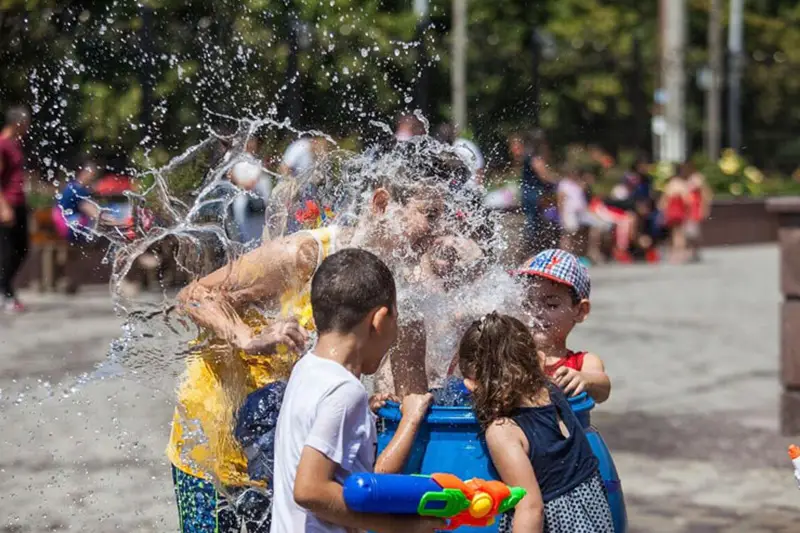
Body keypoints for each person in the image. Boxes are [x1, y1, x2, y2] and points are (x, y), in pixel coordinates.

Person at [170, 172, 446, 531]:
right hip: (217, 443)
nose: (438, 232)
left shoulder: (403, 293)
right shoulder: (305, 255)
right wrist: (245, 336)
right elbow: (192, 296)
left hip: (293, 452)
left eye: (445, 217)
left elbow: (412, 398)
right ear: (381, 204)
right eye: (430, 215)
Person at [271, 249, 442, 533]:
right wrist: (400, 526)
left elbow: (357, 481)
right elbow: (310, 490)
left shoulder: (307, 369)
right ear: (380, 320)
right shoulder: (344, 392)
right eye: (396, 318)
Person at [458, 312, 614, 533]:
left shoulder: (503, 431)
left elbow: (531, 509)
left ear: (471, 384)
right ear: (539, 360)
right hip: (593, 516)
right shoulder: (552, 390)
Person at [512, 249, 611, 403]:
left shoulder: (583, 363)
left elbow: (603, 386)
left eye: (551, 304)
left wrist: (585, 379)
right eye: (527, 304)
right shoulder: (511, 357)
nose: (536, 312)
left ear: (580, 311)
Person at [0, 105, 31, 313]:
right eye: (26, 124)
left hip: (18, 203)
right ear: (17, 123)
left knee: (22, 248)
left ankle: (5, 290)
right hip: (7, 204)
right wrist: (3, 207)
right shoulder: (2, 145)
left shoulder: (15, 144)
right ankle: (6, 293)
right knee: (8, 251)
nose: (28, 128)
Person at [53, 158, 127, 242]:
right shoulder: (77, 190)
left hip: (64, 226)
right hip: (70, 228)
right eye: (92, 175)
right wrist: (118, 222)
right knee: (108, 221)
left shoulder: (73, 186)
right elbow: (93, 212)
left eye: (95, 176)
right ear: (83, 172)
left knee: (112, 209)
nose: (93, 179)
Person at [520, 130, 559, 254]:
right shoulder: (534, 156)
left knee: (533, 223)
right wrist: (559, 181)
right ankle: (529, 252)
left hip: (529, 193)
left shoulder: (528, 155)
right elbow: (544, 175)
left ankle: (530, 250)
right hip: (533, 195)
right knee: (533, 224)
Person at [229, 136, 273, 244]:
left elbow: (256, 177)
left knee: (265, 182)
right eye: (250, 143)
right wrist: (242, 184)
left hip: (254, 187)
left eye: (254, 143)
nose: (253, 145)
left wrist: (250, 183)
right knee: (239, 204)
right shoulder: (238, 159)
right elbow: (233, 175)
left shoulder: (255, 160)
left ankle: (271, 214)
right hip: (242, 188)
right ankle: (242, 234)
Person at [659, 167, 692, 264]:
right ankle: (680, 254)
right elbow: (687, 200)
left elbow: (663, 202)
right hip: (679, 211)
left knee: (673, 233)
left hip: (671, 211)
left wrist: (663, 212)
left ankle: (674, 254)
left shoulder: (670, 184)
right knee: (680, 233)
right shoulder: (682, 184)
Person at [683, 162, 712, 262]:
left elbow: (705, 194)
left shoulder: (697, 178)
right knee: (689, 232)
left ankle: (695, 252)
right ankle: (693, 252)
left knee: (693, 232)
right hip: (688, 209)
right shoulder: (687, 178)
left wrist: (704, 208)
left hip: (695, 209)